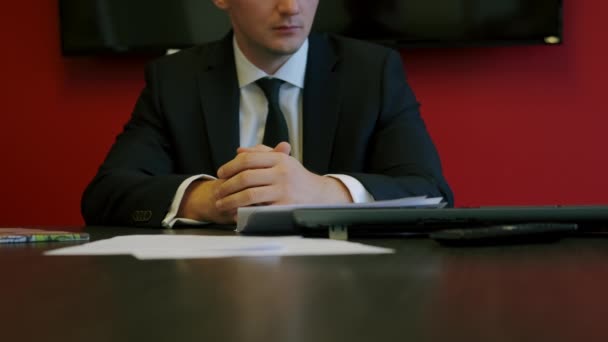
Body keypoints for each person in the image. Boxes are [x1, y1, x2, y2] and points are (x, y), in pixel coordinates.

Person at [81, 0, 454, 227]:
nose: (291, 7)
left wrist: (323, 191)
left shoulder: (372, 72)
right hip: (208, 294)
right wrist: (213, 199)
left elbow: (431, 192)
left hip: (346, 294)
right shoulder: (176, 80)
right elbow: (106, 194)